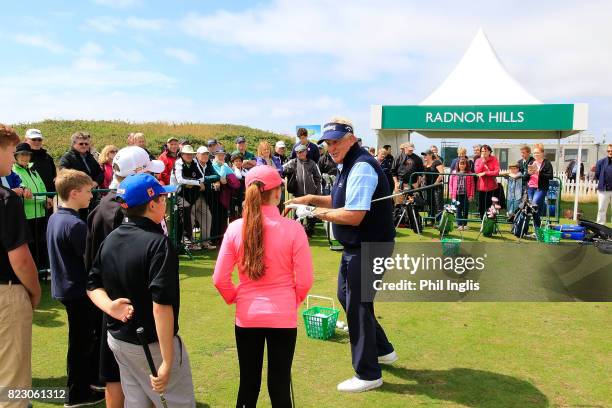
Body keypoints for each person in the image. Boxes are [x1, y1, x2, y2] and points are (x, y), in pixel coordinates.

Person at [287, 117, 396, 393]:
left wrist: (312, 213)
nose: (331, 147)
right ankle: (383, 349)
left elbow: (353, 215)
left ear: (351, 139)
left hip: (369, 245)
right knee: (347, 297)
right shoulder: (348, 165)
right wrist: (309, 199)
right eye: (328, 143)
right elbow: (339, 201)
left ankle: (368, 373)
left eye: (336, 141)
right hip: (358, 246)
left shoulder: (360, 166)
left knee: (357, 305)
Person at [87, 173, 196, 408]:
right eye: (162, 197)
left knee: (136, 402)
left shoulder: (112, 238)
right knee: (178, 402)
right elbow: (161, 305)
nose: (165, 201)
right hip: (150, 344)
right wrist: (167, 360)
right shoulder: (158, 244)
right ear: (152, 204)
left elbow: (92, 285)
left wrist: (110, 307)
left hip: (119, 339)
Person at [213, 165, 313, 406]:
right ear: (277, 193)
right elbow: (305, 279)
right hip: (282, 315)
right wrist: (292, 300)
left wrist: (236, 296)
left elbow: (219, 279)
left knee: (248, 383)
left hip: (248, 315)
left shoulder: (236, 227)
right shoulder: (293, 229)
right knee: (279, 385)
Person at [85, 145, 165, 408]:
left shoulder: (100, 207)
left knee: (114, 372)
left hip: (110, 303)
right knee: (139, 374)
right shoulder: (126, 211)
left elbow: (92, 266)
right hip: (133, 306)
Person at [47, 169, 105, 407]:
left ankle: (87, 384)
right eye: (88, 191)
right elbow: (88, 260)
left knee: (82, 340)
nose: (91, 196)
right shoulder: (75, 225)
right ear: (74, 193)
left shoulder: (56, 218)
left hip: (66, 289)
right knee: (81, 343)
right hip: (78, 292)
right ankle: (77, 394)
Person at [0, 124, 41, 408]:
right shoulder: (6, 200)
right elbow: (21, 259)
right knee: (12, 387)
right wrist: (35, 291)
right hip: (6, 292)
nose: (13, 157)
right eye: (10, 151)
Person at [12, 143, 53, 271]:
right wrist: (44, 198)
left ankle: (42, 271)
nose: (25, 157)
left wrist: (47, 198)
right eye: (22, 154)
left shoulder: (33, 169)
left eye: (28, 154)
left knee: (41, 244)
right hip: (26, 214)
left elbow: (41, 187)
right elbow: (26, 194)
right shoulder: (13, 171)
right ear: (16, 156)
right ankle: (32, 272)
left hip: (40, 213)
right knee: (30, 246)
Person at [283, 144, 322, 237]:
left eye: (301, 152)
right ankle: (297, 234)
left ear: (306, 152)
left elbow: (318, 178)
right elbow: (281, 168)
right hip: (298, 194)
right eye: (297, 152)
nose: (299, 154)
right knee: (298, 214)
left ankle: (309, 233)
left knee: (311, 214)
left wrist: (318, 192)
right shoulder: (293, 162)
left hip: (311, 194)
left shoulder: (313, 163)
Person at [173, 145, 206, 249]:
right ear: (182, 154)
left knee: (181, 218)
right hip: (176, 193)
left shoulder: (195, 162)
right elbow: (180, 180)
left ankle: (180, 245)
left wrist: (193, 182)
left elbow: (202, 177)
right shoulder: (178, 162)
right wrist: (196, 182)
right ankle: (187, 238)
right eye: (186, 154)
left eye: (191, 154)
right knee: (185, 208)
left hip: (188, 194)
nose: (189, 156)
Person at [527, 145, 553, 228]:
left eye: (537, 153)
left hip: (541, 188)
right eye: (534, 153)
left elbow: (550, 176)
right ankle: (537, 227)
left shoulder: (547, 163)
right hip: (531, 187)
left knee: (534, 205)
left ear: (542, 153)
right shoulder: (531, 162)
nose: (535, 154)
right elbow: (526, 176)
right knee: (533, 208)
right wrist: (528, 174)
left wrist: (539, 173)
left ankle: (537, 226)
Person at [24, 128, 56, 195]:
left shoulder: (48, 157)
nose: (37, 142)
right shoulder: (21, 157)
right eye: (33, 139)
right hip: (29, 198)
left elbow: (54, 177)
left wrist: (51, 196)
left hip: (49, 197)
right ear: (26, 140)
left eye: (39, 139)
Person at [474, 145, 500, 219]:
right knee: (481, 206)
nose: (484, 152)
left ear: (489, 152)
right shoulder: (478, 160)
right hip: (481, 187)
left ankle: (491, 223)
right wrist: (483, 162)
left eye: (485, 151)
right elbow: (477, 171)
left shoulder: (494, 159)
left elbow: (496, 172)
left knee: (491, 207)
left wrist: (485, 173)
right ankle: (483, 221)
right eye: (482, 151)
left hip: (492, 187)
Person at [449, 157, 474, 230]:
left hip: (466, 194)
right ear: (458, 164)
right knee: (458, 209)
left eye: (464, 164)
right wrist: (451, 193)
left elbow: (472, 185)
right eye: (461, 164)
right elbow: (450, 184)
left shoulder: (469, 173)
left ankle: (465, 224)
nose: (462, 165)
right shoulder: (454, 172)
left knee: (465, 210)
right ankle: (459, 224)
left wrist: (471, 195)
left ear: (466, 165)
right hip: (457, 194)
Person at [421, 150, 445, 225]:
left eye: (425, 154)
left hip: (437, 187)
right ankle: (431, 221)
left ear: (431, 155)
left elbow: (442, 173)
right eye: (423, 155)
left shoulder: (437, 162)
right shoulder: (425, 164)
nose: (424, 156)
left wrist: (436, 183)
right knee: (430, 203)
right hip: (428, 187)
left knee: (438, 204)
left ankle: (439, 222)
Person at [594, 144, 612, 225]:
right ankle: (600, 229)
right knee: (601, 209)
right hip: (603, 190)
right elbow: (597, 175)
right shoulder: (600, 162)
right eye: (608, 151)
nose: (610, 152)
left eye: (611, 151)